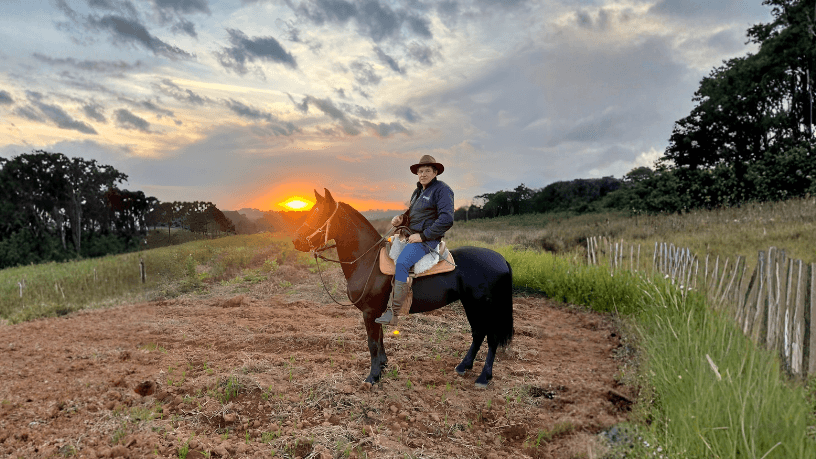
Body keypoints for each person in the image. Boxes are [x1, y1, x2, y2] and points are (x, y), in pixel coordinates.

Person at [375, 155, 454, 325]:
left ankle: (394, 313)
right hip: (411, 236)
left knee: (402, 262)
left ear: (435, 172)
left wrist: (423, 236)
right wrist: (401, 219)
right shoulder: (418, 191)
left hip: (427, 240)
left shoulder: (442, 190)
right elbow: (412, 214)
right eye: (420, 171)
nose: (423, 174)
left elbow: (446, 219)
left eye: (427, 171)